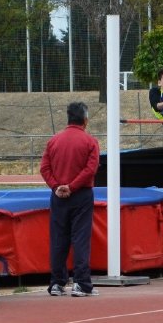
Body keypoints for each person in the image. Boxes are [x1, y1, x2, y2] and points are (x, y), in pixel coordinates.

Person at [39, 101, 101, 297]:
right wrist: (72, 186)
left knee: (59, 239)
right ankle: (81, 283)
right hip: (81, 195)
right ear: (85, 119)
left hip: (58, 196)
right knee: (80, 239)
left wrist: (57, 186)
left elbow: (44, 168)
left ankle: (57, 283)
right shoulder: (90, 142)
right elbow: (90, 169)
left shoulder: (54, 141)